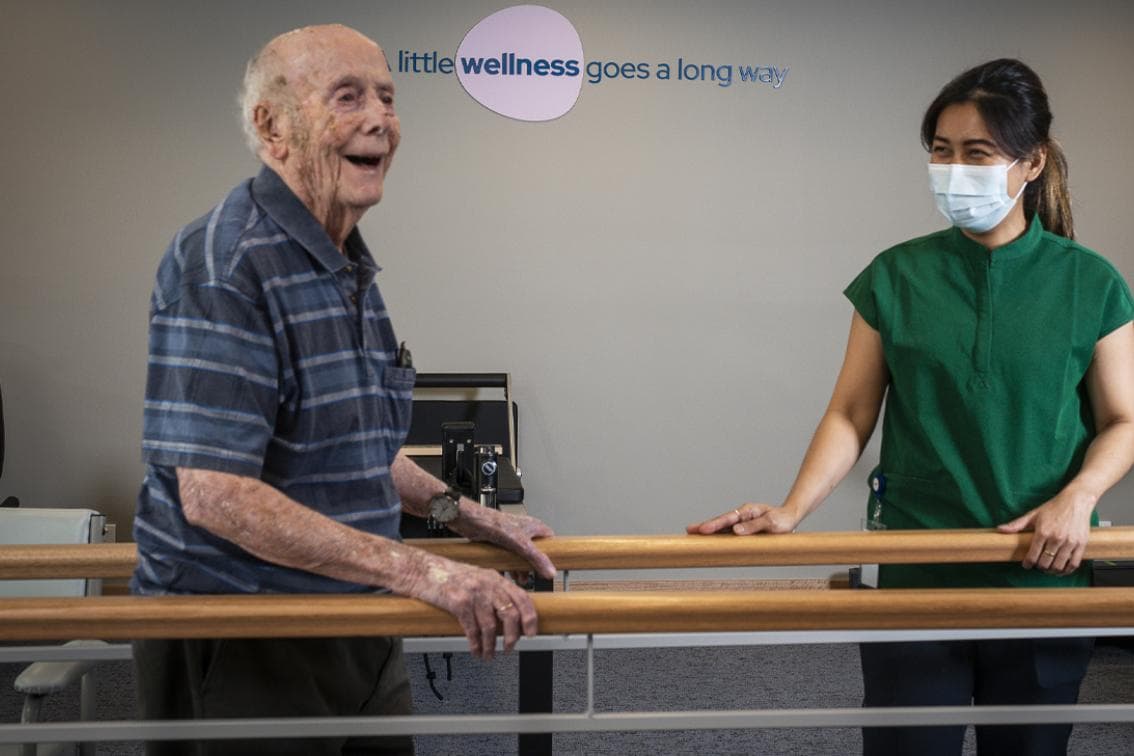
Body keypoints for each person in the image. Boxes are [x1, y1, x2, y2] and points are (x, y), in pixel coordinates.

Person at [131, 24, 556, 756]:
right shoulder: (225, 264)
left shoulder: (346, 265)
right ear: (272, 127)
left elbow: (358, 454)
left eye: (387, 97)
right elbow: (217, 496)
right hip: (247, 634)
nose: (380, 119)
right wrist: (423, 571)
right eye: (348, 97)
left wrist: (469, 519)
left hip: (358, 619)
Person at [689, 58, 1134, 756]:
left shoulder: (1092, 283)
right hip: (917, 563)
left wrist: (1078, 498)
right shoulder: (896, 275)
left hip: (1041, 571)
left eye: (977, 153)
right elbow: (850, 412)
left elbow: (1123, 421)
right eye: (941, 151)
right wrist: (792, 509)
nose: (954, 170)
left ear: (1032, 162)